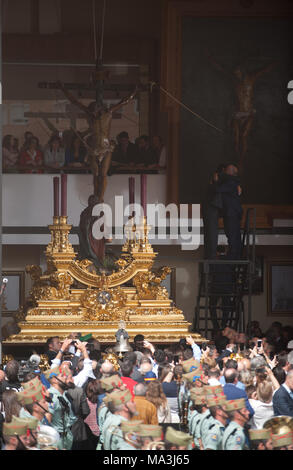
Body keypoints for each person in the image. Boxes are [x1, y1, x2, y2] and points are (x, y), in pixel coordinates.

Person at [44, 365, 77, 450]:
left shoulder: (64, 394)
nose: (65, 377)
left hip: (66, 436)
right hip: (57, 439)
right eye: (62, 376)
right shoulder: (51, 397)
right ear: (55, 380)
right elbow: (47, 421)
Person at [215, 163, 243, 260]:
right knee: (233, 236)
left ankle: (232, 258)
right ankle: (234, 256)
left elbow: (217, 189)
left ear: (229, 173)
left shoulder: (230, 182)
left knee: (232, 237)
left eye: (225, 171)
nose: (223, 173)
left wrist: (215, 180)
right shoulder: (234, 182)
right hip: (232, 213)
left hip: (231, 214)